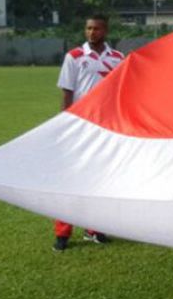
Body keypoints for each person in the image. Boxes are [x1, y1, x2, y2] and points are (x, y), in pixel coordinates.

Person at [52, 15, 124, 251]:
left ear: (105, 30)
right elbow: (67, 93)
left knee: (101, 178)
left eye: (96, 28)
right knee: (70, 179)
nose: (91, 32)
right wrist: (65, 124)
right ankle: (63, 232)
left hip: (106, 129)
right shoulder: (74, 57)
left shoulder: (117, 58)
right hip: (79, 127)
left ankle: (95, 229)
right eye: (88, 28)